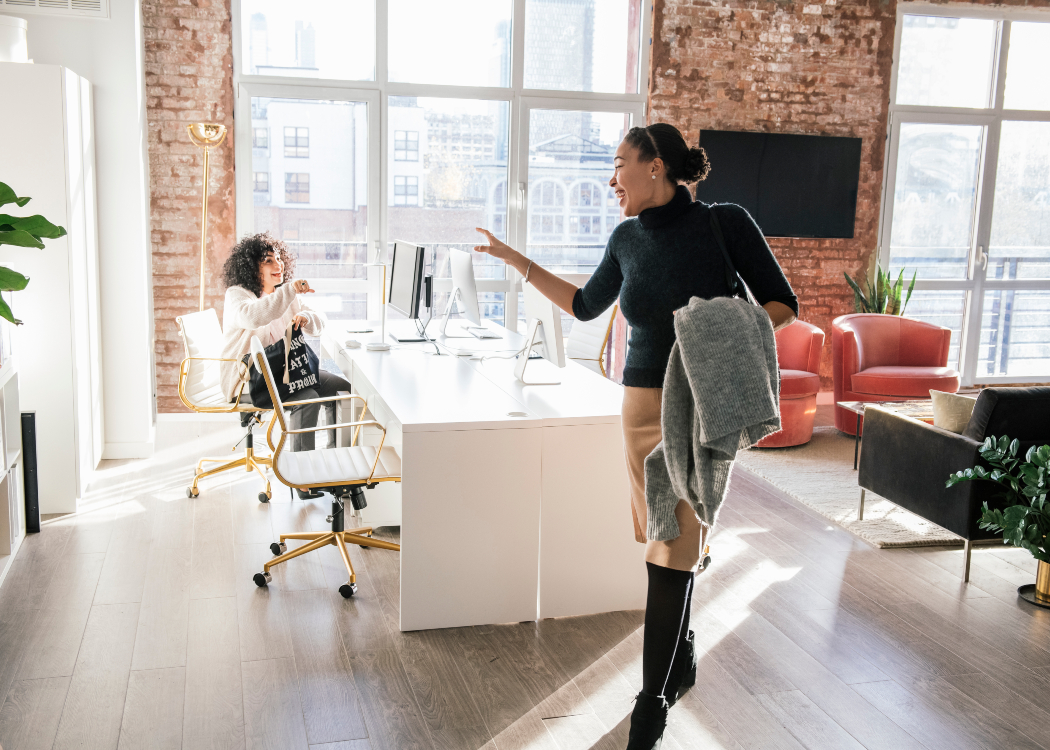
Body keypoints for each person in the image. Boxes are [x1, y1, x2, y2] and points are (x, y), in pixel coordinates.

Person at [474, 122, 797, 749]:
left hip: (698, 405)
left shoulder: (724, 224)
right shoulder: (626, 239)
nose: (611, 178)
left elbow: (781, 305)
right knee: (665, 535)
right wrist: (517, 262)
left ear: (655, 166)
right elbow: (584, 304)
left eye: (620, 163)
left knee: (669, 548)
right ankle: (681, 654)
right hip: (639, 409)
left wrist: (716, 336)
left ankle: (650, 706)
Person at [219, 233, 352, 496]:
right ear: (252, 266)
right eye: (268, 260)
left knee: (342, 389)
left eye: (279, 259)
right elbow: (255, 316)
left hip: (285, 374)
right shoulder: (238, 295)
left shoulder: (285, 296)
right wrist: (290, 290)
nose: (277, 265)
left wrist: (304, 316)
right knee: (307, 396)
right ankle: (301, 476)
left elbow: (320, 321)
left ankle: (334, 462)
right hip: (250, 380)